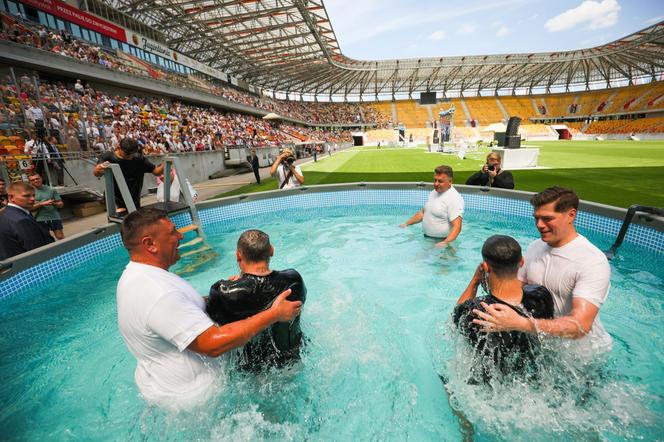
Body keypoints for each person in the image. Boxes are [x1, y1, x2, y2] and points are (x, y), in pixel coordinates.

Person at [116, 209, 302, 407]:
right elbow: (213, 344)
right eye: (172, 232)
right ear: (149, 244)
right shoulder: (158, 292)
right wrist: (274, 314)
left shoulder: (137, 277)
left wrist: (224, 297)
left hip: (164, 385)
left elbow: (178, 309)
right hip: (195, 400)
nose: (180, 236)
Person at [472, 186, 613, 353]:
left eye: (547, 219)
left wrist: (522, 324)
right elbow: (513, 294)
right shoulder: (535, 248)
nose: (539, 225)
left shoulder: (591, 261)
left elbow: (581, 326)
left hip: (584, 355)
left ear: (571, 215)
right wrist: (483, 278)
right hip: (545, 346)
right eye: (536, 218)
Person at [453, 235, 554, 379]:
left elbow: (455, 318)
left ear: (486, 267)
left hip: (493, 386)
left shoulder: (478, 310)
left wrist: (475, 281)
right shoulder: (541, 296)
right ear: (522, 262)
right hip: (535, 376)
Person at [207, 229, 306, 369]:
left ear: (238, 255)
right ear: (271, 251)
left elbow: (216, 327)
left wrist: (233, 284)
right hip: (293, 360)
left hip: (250, 370)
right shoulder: (294, 280)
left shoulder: (224, 292)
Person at [93, 138, 164, 216]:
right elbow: (97, 173)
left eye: (132, 154)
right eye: (127, 154)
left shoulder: (139, 159)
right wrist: (99, 169)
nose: (130, 157)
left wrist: (165, 163)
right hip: (116, 202)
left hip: (134, 202)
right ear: (118, 147)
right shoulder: (108, 157)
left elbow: (156, 172)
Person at [400, 165, 464, 247]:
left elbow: (457, 226)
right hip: (427, 240)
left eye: (440, 181)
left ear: (450, 181)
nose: (436, 184)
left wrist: (445, 243)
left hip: (443, 244)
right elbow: (423, 212)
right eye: (435, 180)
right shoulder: (434, 192)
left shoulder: (454, 198)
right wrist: (406, 224)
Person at [0, 181, 54, 260]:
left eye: (33, 195)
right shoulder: (21, 220)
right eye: (26, 196)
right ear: (11, 197)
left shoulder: (7, 213)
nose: (32, 199)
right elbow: (36, 252)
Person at [29, 173, 64, 240]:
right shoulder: (29, 192)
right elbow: (29, 208)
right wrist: (41, 204)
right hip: (38, 219)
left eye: (37, 178)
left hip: (53, 216)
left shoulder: (51, 190)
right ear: (30, 182)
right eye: (33, 180)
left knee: (60, 237)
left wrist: (54, 203)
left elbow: (61, 204)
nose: (36, 181)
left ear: (41, 179)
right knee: (46, 240)